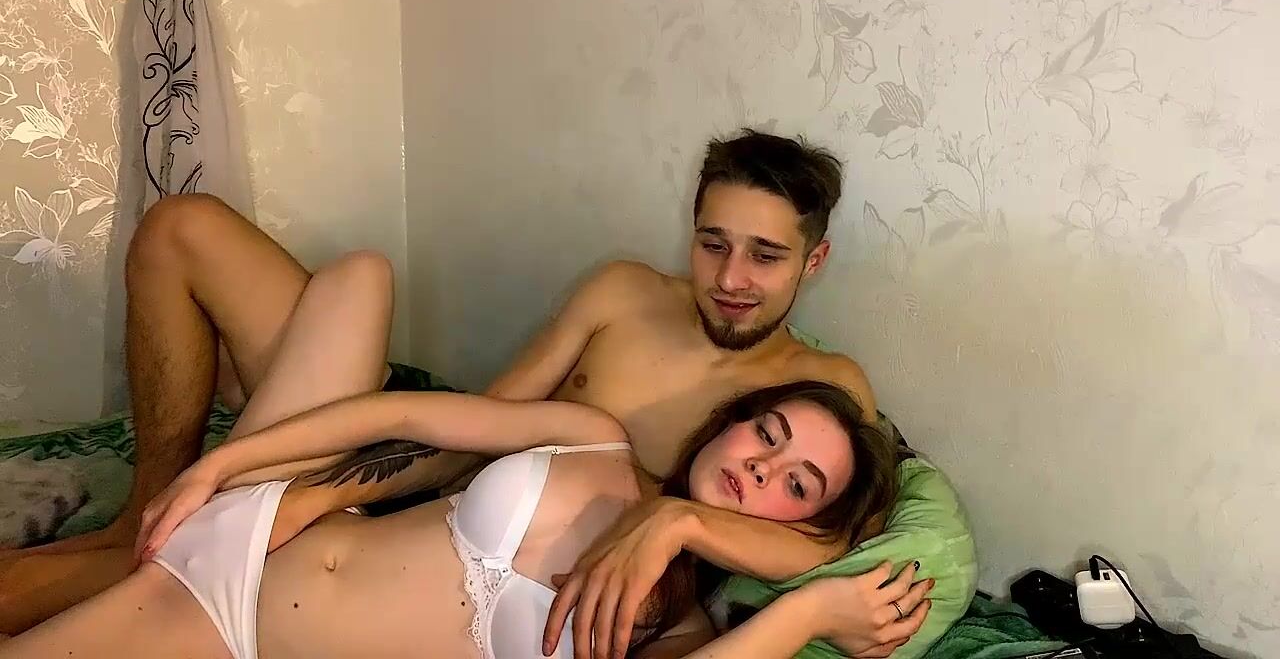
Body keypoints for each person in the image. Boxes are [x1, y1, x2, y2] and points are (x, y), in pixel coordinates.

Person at [0, 129, 932, 654]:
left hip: (452, 577)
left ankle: (164, 533)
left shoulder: (820, 393)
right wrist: (314, 493)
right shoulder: (621, 298)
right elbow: (472, 430)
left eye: (766, 257)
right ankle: (152, 505)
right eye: (713, 243)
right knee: (226, 239)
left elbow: (823, 541)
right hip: (427, 500)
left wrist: (674, 524)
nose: (730, 279)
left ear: (813, 261)